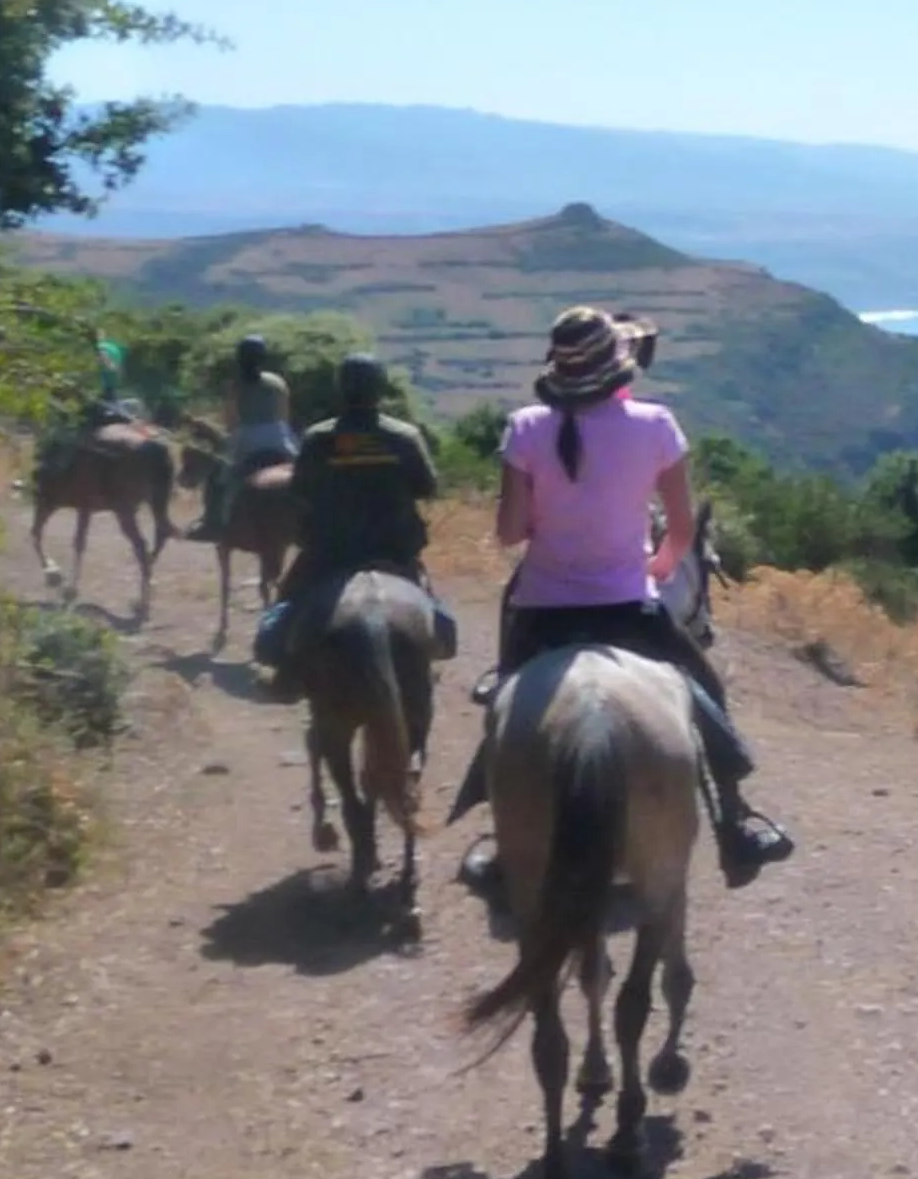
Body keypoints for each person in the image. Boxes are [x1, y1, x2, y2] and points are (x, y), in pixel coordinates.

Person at [450, 306, 792, 888]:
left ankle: (501, 836)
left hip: (542, 608)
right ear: (616, 365)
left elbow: (509, 532)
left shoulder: (525, 426)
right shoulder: (656, 423)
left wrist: (553, 520)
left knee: (507, 695)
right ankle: (735, 818)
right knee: (702, 686)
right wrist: (654, 567)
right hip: (628, 604)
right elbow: (681, 530)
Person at [251, 353, 457, 699]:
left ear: (341, 389)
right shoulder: (404, 435)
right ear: (381, 389)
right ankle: (434, 650)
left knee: (287, 602)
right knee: (430, 603)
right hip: (393, 549)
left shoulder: (318, 437)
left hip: (329, 553)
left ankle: (283, 673)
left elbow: (300, 489)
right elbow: (427, 486)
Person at [193, 333, 299, 541]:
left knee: (218, 479)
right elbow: (285, 414)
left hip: (247, 438)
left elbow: (232, 422)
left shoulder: (236, 385)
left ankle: (214, 522)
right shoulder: (278, 382)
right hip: (280, 436)